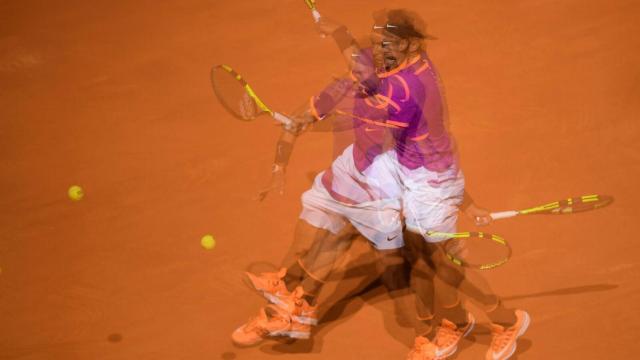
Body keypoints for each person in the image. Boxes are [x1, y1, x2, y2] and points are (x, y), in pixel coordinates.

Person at [232, 9, 529, 360]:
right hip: (411, 170)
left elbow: (364, 112)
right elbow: (361, 71)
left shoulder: (407, 88)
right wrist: (341, 35)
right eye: (376, 43)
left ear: (407, 44)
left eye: (383, 44)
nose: (375, 52)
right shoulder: (405, 64)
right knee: (410, 255)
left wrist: (300, 120)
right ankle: (450, 321)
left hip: (428, 179)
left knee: (441, 262)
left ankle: (504, 319)